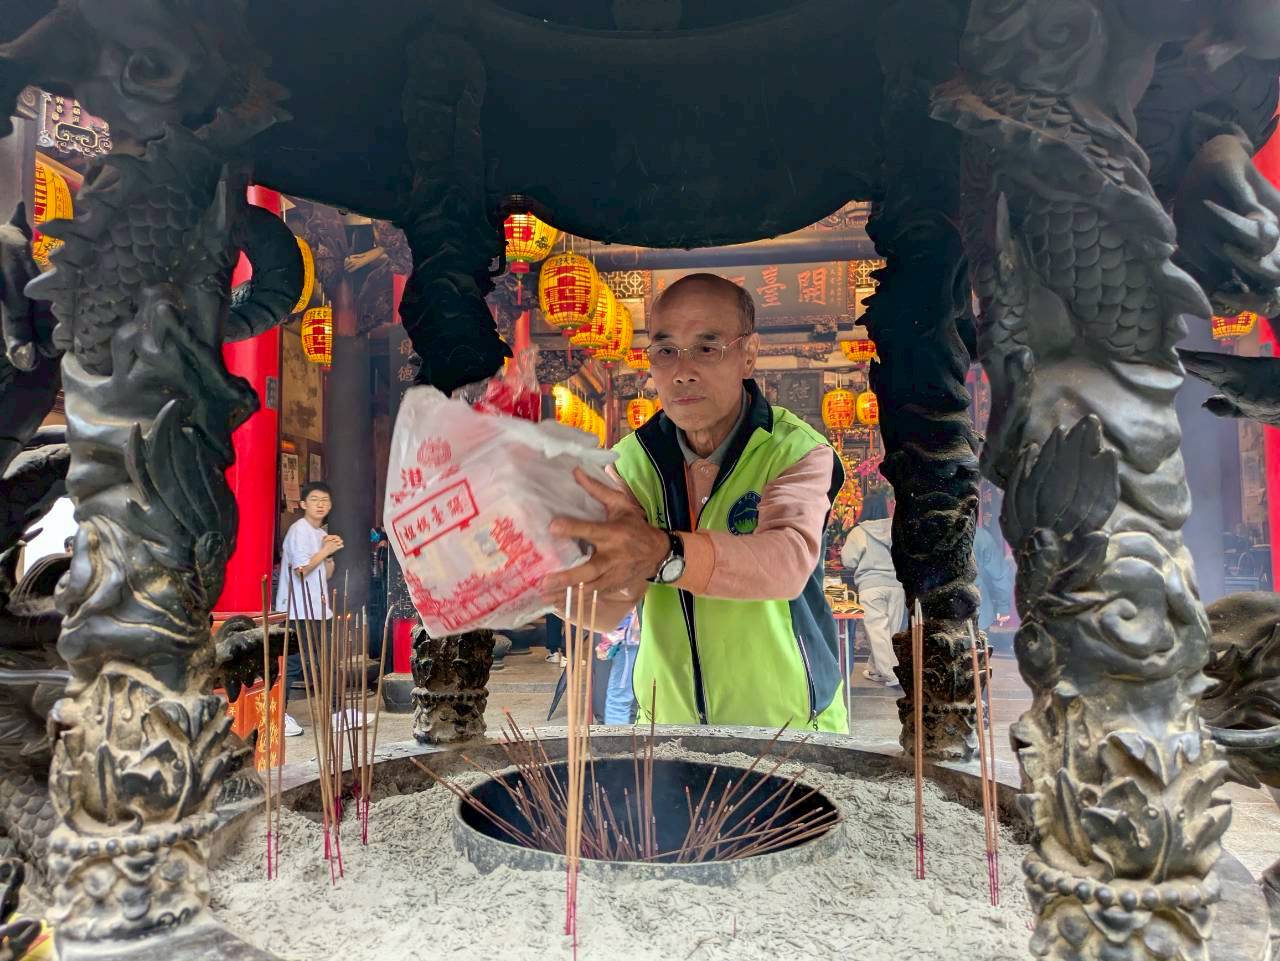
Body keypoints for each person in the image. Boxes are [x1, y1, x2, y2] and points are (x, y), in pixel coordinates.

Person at [544, 273, 847, 732]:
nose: (682, 371)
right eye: (666, 350)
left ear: (749, 354)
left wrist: (665, 553)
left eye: (707, 348)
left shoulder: (796, 450)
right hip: (669, 728)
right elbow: (609, 605)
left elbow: (787, 562)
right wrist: (538, 572)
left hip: (788, 727)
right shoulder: (631, 462)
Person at [275, 481, 346, 736]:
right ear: (303, 504)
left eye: (325, 500)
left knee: (327, 662)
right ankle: (277, 715)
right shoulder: (299, 531)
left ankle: (337, 714)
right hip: (298, 609)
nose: (320, 504)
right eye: (314, 500)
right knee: (294, 664)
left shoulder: (318, 534)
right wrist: (325, 550)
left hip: (317, 609)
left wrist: (329, 554)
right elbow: (302, 570)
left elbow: (325, 574)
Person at [839, 488, 904, 687]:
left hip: (871, 586)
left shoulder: (859, 532)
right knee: (890, 632)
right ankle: (876, 669)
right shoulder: (897, 529)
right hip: (896, 585)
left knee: (877, 632)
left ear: (865, 508)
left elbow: (848, 560)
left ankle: (891, 674)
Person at [974, 507, 1014, 633]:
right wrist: (1003, 608)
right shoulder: (980, 536)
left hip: (937, 617)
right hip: (977, 614)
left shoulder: (927, 536)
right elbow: (1000, 574)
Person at [598, 608, 641, 725]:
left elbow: (623, 604)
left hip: (628, 639)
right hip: (639, 635)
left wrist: (608, 642)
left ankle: (616, 736)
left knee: (618, 700)